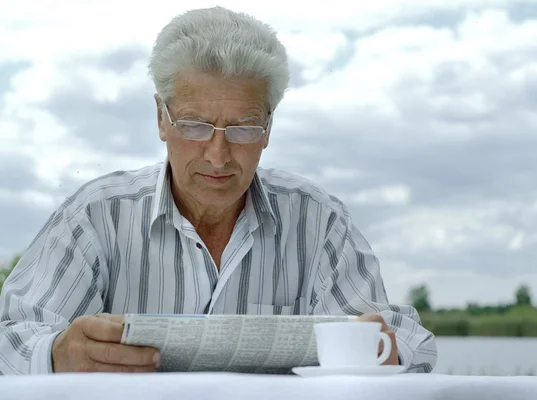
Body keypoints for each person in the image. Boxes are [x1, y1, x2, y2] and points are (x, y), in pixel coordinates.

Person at [0, 6, 437, 375]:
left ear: (268, 129)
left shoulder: (318, 222)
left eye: (243, 128)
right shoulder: (96, 217)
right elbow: (12, 337)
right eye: (193, 125)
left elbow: (411, 343)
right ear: (160, 119)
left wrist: (384, 350)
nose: (218, 155)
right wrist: (56, 354)